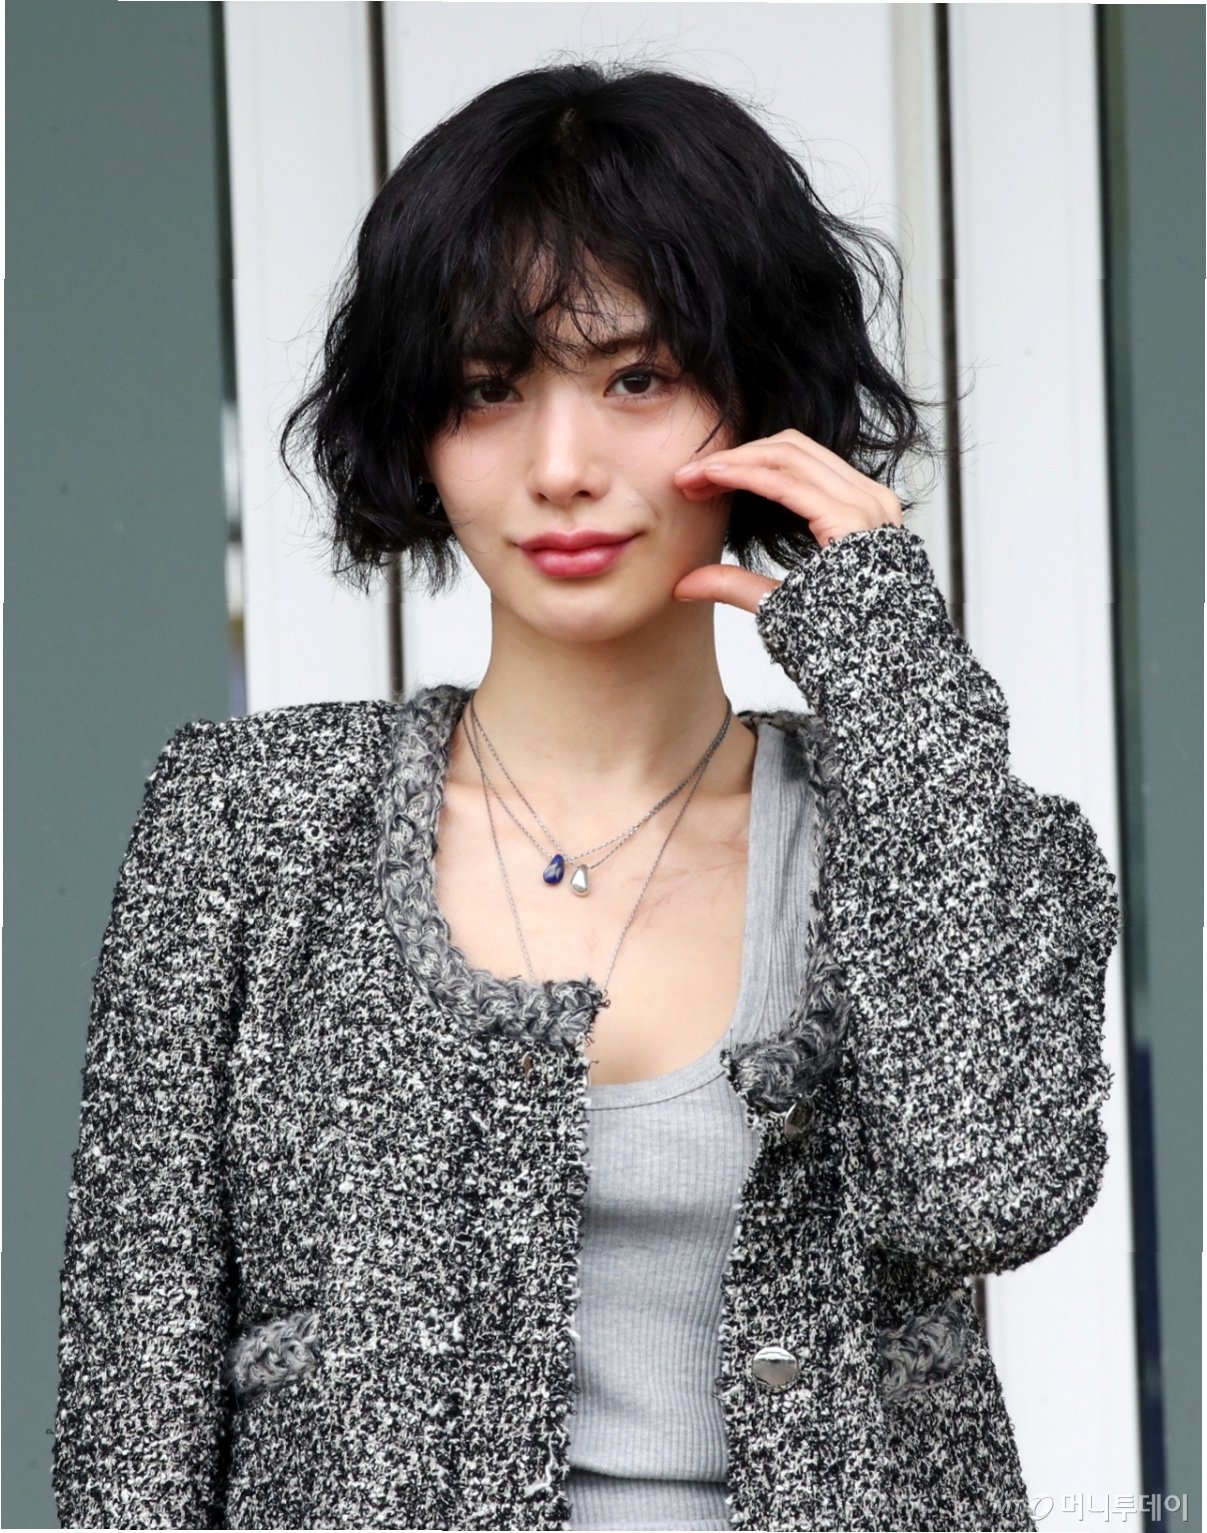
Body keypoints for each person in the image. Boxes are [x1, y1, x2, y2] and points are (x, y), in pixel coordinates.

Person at [52, 59, 1121, 1533]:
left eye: (638, 379)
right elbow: (133, 1403)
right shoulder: (244, 828)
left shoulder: (943, 834)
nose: (561, 467)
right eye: (488, 389)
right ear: (420, 429)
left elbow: (991, 1188)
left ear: (759, 407)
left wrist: (895, 675)